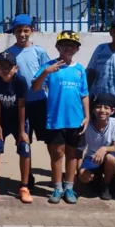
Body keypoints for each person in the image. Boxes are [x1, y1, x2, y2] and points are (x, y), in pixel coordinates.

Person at [31, 30, 89, 204]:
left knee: (72, 154)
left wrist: (87, 116)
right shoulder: (50, 66)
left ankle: (69, 187)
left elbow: (84, 94)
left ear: (76, 49)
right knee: (57, 153)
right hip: (55, 119)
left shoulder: (79, 69)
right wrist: (46, 72)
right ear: (58, 46)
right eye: (64, 45)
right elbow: (35, 87)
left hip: (76, 119)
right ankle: (57, 187)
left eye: (72, 45)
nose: (68, 48)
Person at [0, 51, 33, 204]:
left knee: (24, 147)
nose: (5, 70)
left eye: (8, 67)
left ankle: (24, 187)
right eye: (2, 67)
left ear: (15, 68)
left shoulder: (20, 81)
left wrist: (22, 131)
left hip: (19, 119)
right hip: (2, 119)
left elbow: (22, 106)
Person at [4, 14, 49, 189]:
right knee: (25, 143)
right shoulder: (9, 53)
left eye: (26, 30)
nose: (22, 34)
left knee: (51, 142)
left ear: (31, 31)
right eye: (19, 31)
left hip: (40, 102)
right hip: (21, 105)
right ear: (13, 32)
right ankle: (27, 178)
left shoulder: (39, 52)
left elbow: (48, 73)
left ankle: (58, 178)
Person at [77, 93, 115, 200]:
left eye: (106, 108)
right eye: (98, 107)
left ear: (112, 111)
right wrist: (79, 172)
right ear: (93, 109)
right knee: (83, 177)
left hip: (109, 158)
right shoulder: (86, 125)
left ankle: (106, 185)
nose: (102, 110)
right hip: (92, 157)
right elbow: (79, 151)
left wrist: (104, 149)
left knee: (111, 158)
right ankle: (97, 179)